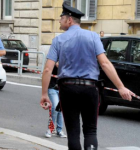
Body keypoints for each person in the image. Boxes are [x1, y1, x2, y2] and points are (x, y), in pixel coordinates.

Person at [40, 2, 133, 150]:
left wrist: (44, 94)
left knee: (73, 132)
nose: (59, 20)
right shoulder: (93, 36)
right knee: (90, 130)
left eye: (61, 17)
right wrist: (121, 87)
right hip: (90, 89)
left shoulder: (58, 40)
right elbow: (105, 64)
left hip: (67, 89)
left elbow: (47, 70)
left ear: (69, 20)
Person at [45, 62, 67, 138]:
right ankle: (50, 129)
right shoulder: (54, 56)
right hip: (52, 87)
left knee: (61, 108)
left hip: (62, 88)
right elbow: (48, 69)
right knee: (55, 107)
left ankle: (59, 130)